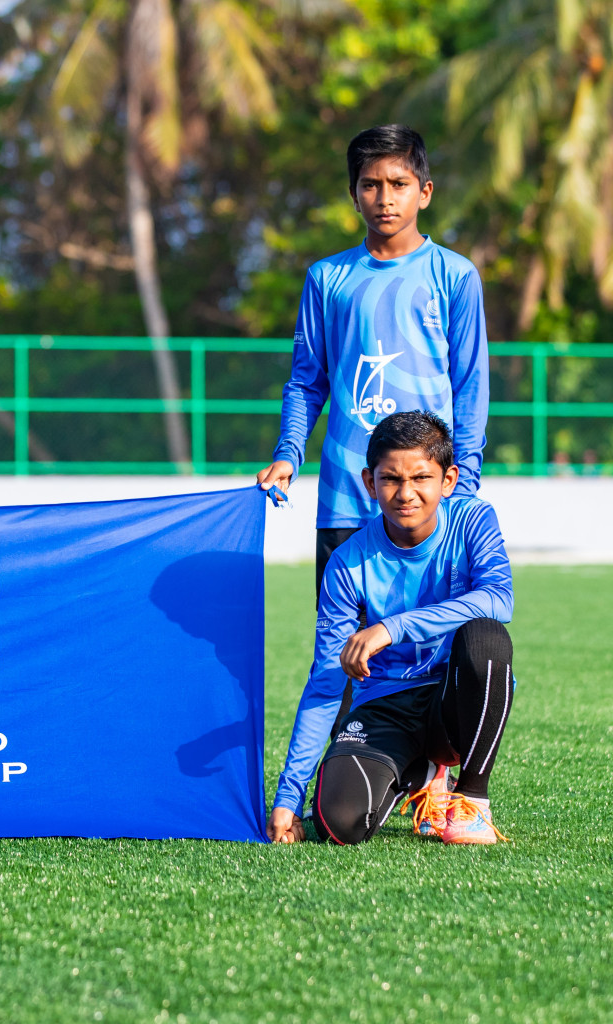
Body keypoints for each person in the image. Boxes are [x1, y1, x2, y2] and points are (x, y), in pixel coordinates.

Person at [255, 124, 489, 593]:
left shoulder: (456, 276)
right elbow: (306, 381)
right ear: (353, 195)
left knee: (436, 641)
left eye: (398, 184)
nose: (385, 198)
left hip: (428, 498)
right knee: (340, 642)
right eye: (370, 185)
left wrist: (461, 487)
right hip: (346, 491)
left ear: (424, 193)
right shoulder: (326, 278)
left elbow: (470, 387)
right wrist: (288, 454)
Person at [268, 412, 515, 846]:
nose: (406, 494)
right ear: (369, 482)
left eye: (421, 477)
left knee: (487, 638)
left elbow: (499, 598)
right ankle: (421, 774)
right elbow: (327, 681)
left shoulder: (473, 520)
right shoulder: (347, 562)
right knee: (338, 824)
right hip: (385, 706)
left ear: (449, 479)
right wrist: (289, 795)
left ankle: (471, 799)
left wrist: (391, 628)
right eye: (390, 479)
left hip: (450, 702)